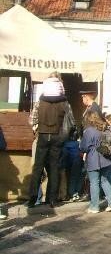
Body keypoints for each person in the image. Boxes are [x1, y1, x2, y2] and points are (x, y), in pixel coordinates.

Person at [27, 74, 72, 208]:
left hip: (42, 135)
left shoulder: (39, 102)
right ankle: (52, 199)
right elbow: (71, 122)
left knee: (38, 167)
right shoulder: (65, 103)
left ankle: (32, 198)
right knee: (54, 167)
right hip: (57, 137)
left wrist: (37, 128)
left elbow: (31, 120)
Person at [79, 111, 111, 213]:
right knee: (104, 181)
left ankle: (94, 206)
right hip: (106, 159)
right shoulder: (104, 128)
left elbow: (83, 147)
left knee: (94, 183)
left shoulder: (89, 131)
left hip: (93, 160)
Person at [61, 127, 83, 202]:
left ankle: (72, 193)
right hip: (78, 162)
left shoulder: (66, 144)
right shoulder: (78, 144)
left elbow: (64, 154)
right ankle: (77, 192)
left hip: (69, 163)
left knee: (71, 178)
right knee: (78, 177)